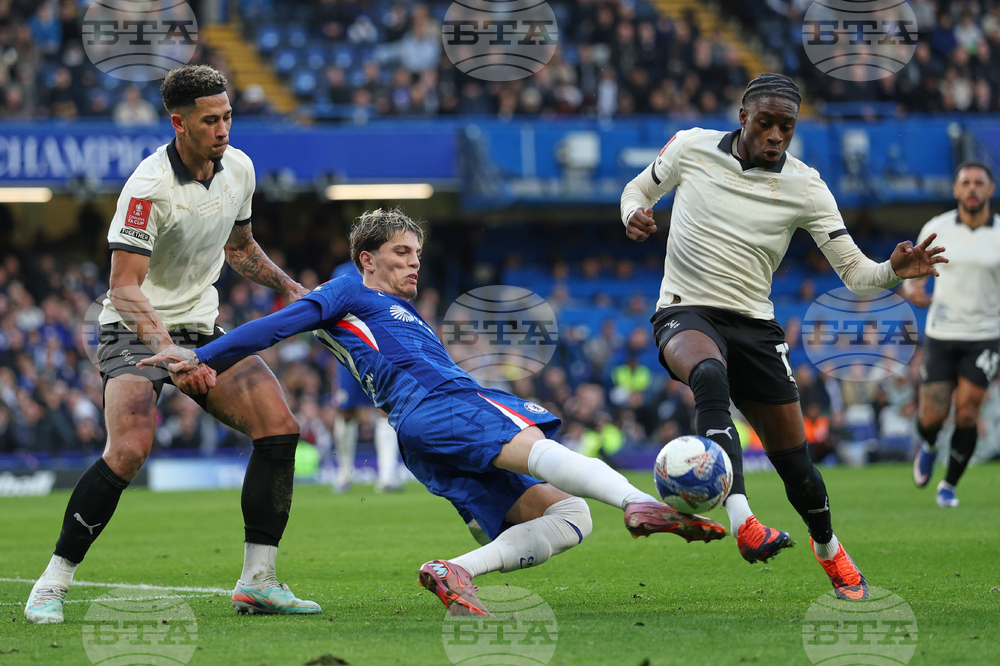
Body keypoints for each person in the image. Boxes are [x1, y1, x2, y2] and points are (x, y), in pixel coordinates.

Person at [139, 208, 727, 616]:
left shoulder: (401, 312)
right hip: (442, 405)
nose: (413, 264)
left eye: (417, 254)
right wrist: (203, 354)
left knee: (571, 517)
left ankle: (456, 569)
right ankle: (638, 503)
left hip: (424, 432)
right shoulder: (348, 292)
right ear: (367, 260)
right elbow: (275, 325)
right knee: (547, 454)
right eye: (400, 253)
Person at [619, 73, 947, 600]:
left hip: (754, 326)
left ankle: (829, 549)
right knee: (708, 374)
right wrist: (633, 212)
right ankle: (744, 521)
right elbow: (638, 188)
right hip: (685, 310)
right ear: (743, 116)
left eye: (786, 127)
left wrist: (892, 269)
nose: (776, 135)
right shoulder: (691, 147)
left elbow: (856, 273)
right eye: (767, 123)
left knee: (798, 470)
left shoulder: (806, 186)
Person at [24, 65, 320, 624]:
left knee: (279, 427)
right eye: (211, 120)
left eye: (228, 116)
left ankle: (258, 580)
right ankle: (52, 581)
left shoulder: (240, 168)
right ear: (178, 123)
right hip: (134, 324)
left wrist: (293, 291)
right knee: (130, 448)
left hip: (200, 326)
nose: (224, 129)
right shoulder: (147, 188)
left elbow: (240, 248)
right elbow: (123, 287)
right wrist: (169, 352)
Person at [902, 161, 999, 507]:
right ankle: (928, 444)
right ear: (956, 190)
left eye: (979, 183)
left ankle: (949, 486)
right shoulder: (938, 227)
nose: (972, 188)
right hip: (942, 334)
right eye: (966, 183)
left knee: (968, 413)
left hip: (985, 336)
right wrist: (913, 290)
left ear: (990, 189)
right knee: (931, 418)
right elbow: (914, 271)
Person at [329, 259, 403, 494]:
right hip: (350, 350)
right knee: (346, 411)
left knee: (385, 410)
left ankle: (387, 477)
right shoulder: (342, 272)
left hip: (381, 352)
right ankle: (343, 475)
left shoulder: (388, 268)